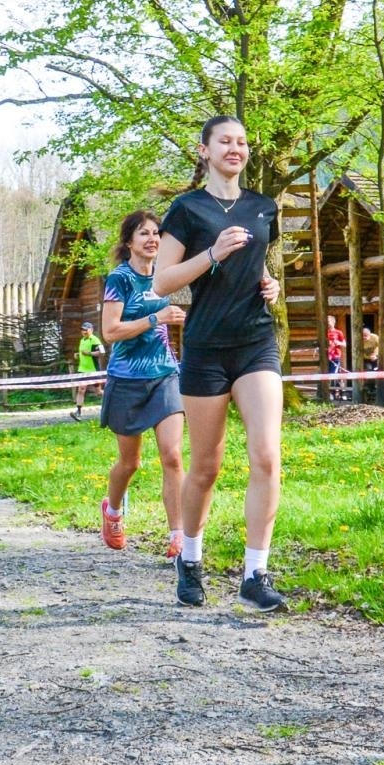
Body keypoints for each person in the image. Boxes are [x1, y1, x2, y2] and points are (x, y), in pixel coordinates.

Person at [153, 115, 285, 612]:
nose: (236, 148)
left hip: (255, 343)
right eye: (225, 141)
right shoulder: (186, 210)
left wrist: (269, 283)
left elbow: (259, 265)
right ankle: (189, 559)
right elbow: (163, 282)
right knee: (206, 466)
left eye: (243, 142)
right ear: (204, 150)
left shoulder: (262, 207)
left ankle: (256, 574)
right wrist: (212, 252)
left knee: (267, 456)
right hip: (206, 349)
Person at [99, 210, 188, 558]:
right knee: (130, 463)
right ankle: (114, 510)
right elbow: (110, 331)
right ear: (128, 242)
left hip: (165, 373)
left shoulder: (165, 276)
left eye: (156, 233)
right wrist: (156, 318)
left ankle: (179, 537)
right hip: (127, 378)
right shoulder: (119, 279)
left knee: (173, 455)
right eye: (143, 234)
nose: (152, 239)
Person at [71, 320, 106, 421]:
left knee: (98, 392)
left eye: (86, 330)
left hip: (93, 370)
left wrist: (89, 353)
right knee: (81, 390)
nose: (84, 332)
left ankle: (112, 399)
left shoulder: (95, 340)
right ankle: (78, 412)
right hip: (82, 370)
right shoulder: (82, 340)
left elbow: (102, 353)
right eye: (82, 330)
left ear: (91, 330)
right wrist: (78, 354)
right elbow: (83, 352)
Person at [326, 314, 347, 399]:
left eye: (329, 322)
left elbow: (344, 344)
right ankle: (333, 393)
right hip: (326, 357)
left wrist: (338, 343)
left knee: (333, 374)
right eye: (326, 322)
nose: (327, 324)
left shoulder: (339, 332)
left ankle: (339, 393)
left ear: (333, 322)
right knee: (329, 374)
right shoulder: (324, 333)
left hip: (335, 356)